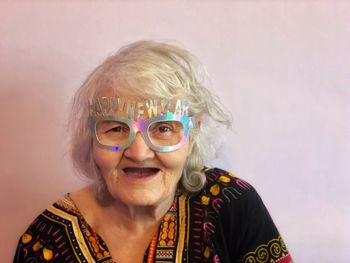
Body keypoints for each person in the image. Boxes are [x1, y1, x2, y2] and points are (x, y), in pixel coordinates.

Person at [14, 40, 292, 263]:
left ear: (191, 135)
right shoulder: (47, 241)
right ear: (91, 138)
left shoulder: (231, 205)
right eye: (116, 129)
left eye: (163, 128)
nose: (138, 152)